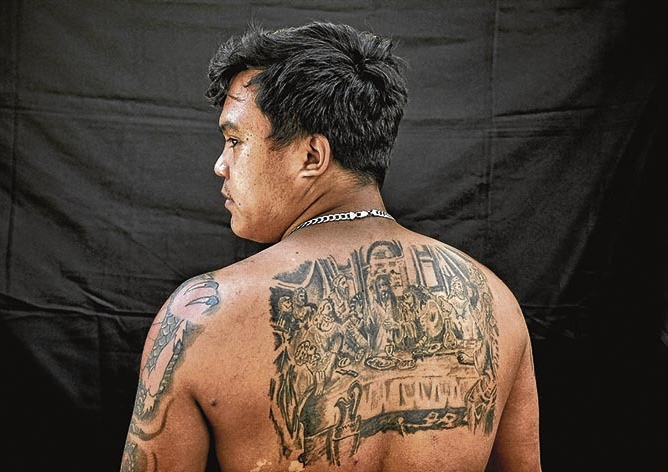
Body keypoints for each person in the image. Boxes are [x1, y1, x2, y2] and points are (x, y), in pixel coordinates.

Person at [120, 20, 541, 472]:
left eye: (235, 140)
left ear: (312, 156)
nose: (221, 165)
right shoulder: (494, 302)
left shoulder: (203, 316)